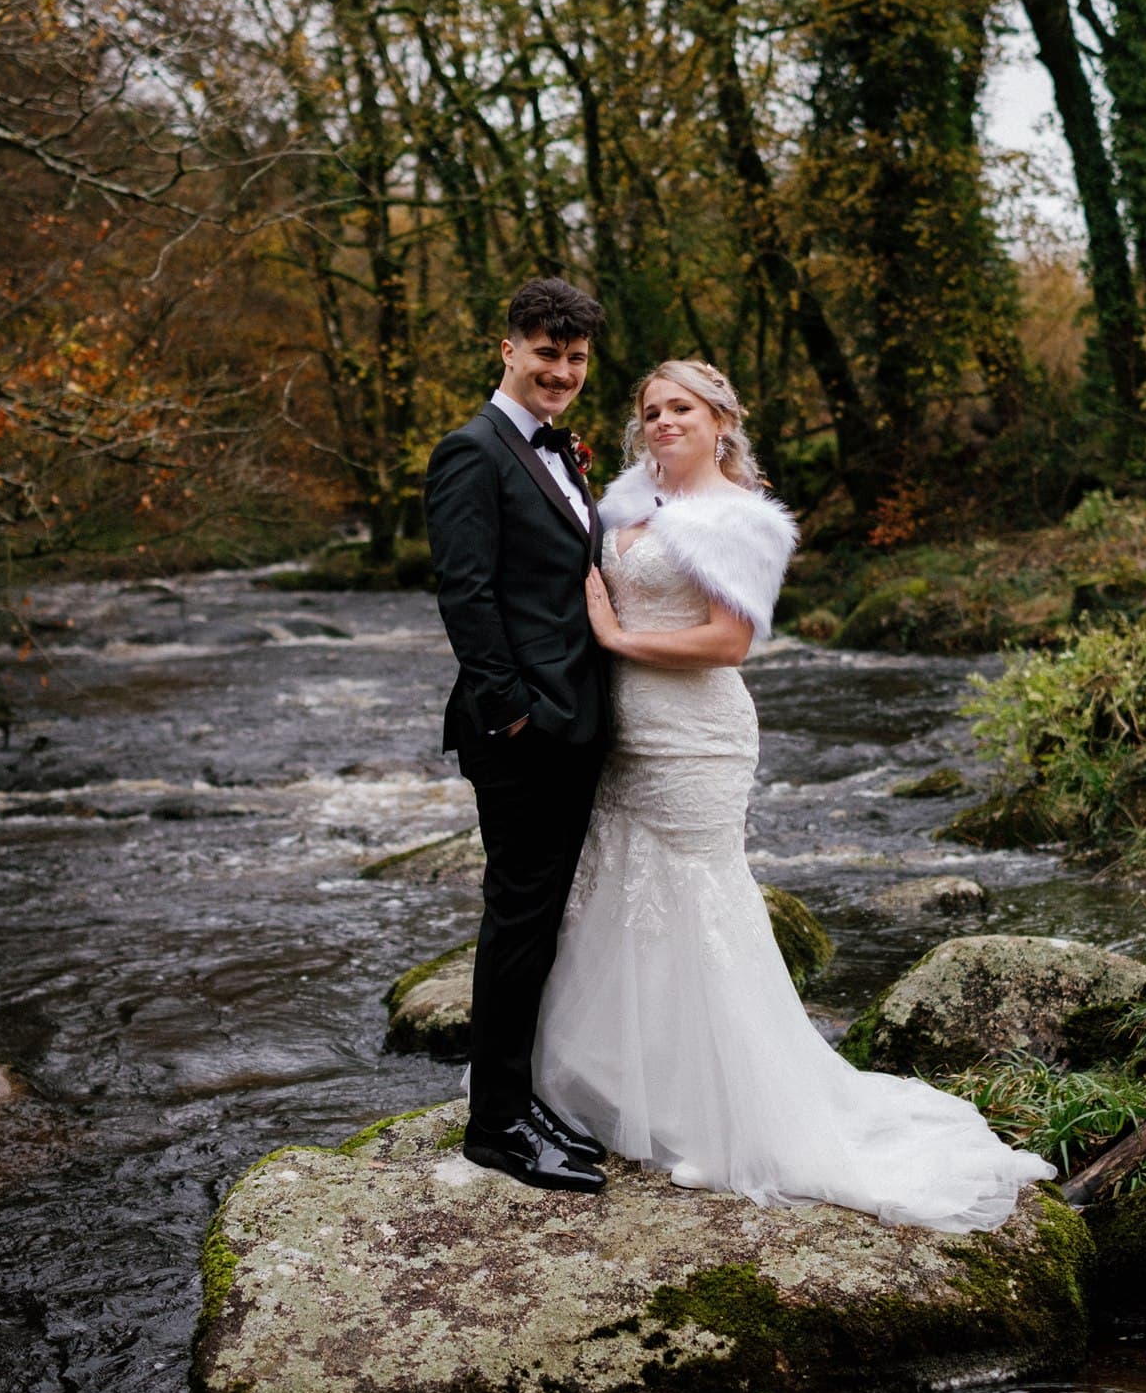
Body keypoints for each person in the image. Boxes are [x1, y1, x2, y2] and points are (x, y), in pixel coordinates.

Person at [533, 358, 1055, 1233]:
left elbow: (726, 642)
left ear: (721, 420)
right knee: (623, 892)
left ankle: (727, 1113)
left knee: (699, 905)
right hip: (621, 733)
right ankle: (633, 1091)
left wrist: (614, 636)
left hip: (697, 733)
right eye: (652, 409)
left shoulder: (737, 520)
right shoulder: (623, 506)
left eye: (682, 409)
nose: (663, 421)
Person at [424, 278, 612, 1195]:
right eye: (546, 353)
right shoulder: (471, 451)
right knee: (516, 921)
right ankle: (494, 1124)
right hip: (521, 730)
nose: (561, 372)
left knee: (537, 924)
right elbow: (466, 593)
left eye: (575, 358)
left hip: (572, 720)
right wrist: (511, 712)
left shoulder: (561, 453)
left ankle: (520, 1095)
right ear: (508, 350)